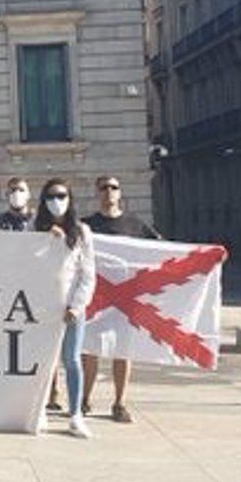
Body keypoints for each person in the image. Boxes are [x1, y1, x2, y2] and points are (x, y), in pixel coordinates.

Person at [80, 175, 160, 424]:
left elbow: (161, 249)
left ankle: (120, 403)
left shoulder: (135, 225)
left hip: (125, 299)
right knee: (88, 350)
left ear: (120, 192)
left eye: (113, 187)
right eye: (103, 188)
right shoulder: (87, 225)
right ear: (97, 193)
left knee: (122, 351)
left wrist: (205, 257)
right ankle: (84, 399)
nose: (109, 192)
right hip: (96, 298)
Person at [35, 177, 96, 439]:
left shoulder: (81, 232)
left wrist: (77, 305)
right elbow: (20, 258)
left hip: (70, 308)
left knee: (71, 360)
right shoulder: (34, 227)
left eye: (61, 196)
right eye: (50, 197)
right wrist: (46, 239)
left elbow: (88, 273)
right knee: (42, 361)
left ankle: (75, 415)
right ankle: (39, 411)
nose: (56, 202)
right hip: (40, 306)